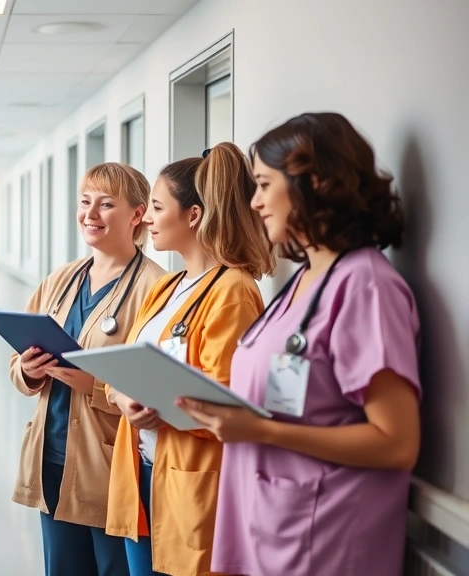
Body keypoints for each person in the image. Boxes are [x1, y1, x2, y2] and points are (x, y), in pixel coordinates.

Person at [177, 113, 422, 576]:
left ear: (316, 182)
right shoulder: (305, 279)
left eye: (265, 185)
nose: (255, 203)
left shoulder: (366, 285)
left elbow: (396, 442)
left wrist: (263, 431)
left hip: (326, 539)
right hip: (268, 525)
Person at [104, 143, 275, 576]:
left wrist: (157, 409)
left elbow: (228, 400)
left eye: (157, 207)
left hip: (191, 483)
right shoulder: (168, 286)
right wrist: (123, 398)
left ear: (193, 216)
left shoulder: (233, 290)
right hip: (140, 476)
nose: (145, 218)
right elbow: (122, 369)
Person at [10, 163, 165, 576]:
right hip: (52, 460)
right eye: (84, 202)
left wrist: (94, 386)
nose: (90, 214)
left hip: (111, 468)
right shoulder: (61, 279)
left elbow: (157, 388)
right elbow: (16, 363)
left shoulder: (156, 287)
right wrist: (28, 370)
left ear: (137, 215)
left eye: (106, 204)